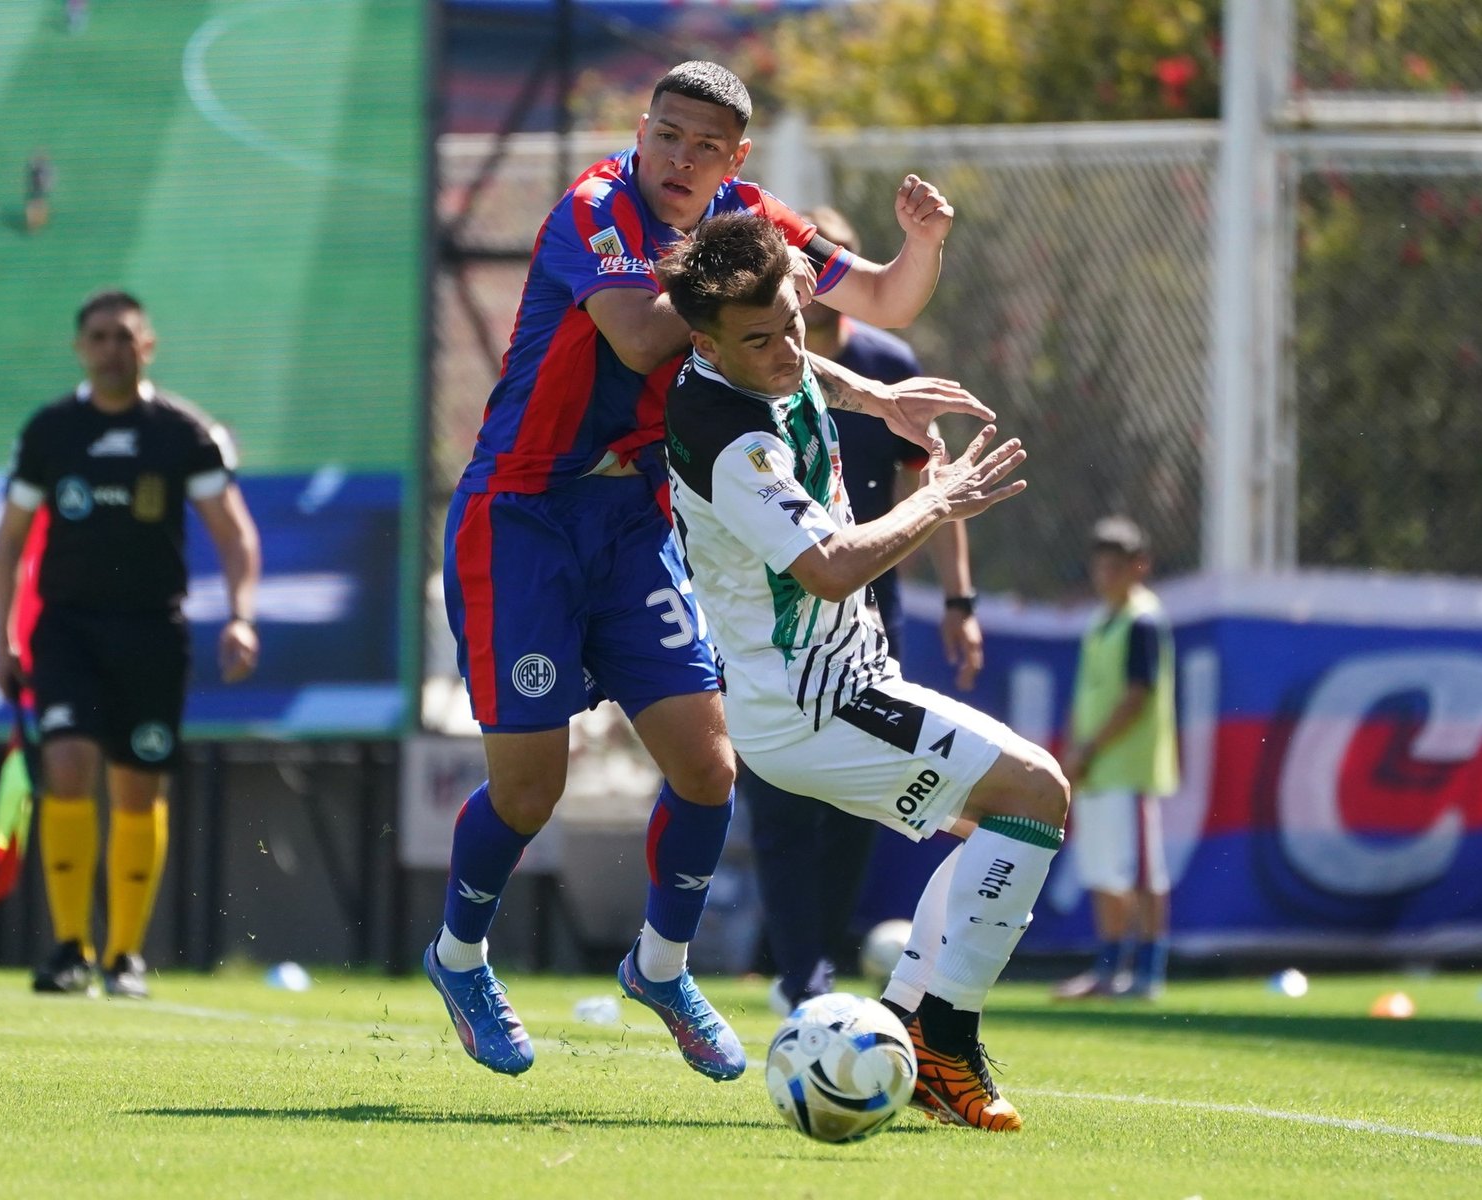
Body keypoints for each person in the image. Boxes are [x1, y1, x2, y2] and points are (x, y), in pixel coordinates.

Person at [427, 59, 983, 1084]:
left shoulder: (746, 220)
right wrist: (738, 273)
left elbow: (876, 298)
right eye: (667, 135)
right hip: (522, 516)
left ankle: (661, 966)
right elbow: (645, 339)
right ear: (643, 130)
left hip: (633, 517)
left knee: (707, 764)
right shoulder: (595, 207)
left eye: (705, 146)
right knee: (528, 786)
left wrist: (921, 245)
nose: (680, 159)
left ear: (737, 157)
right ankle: (461, 956)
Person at [658, 211, 1069, 1132]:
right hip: (816, 707)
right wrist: (941, 501)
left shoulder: (771, 337)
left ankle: (914, 1022)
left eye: (792, 323)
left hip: (839, 682)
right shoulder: (730, 441)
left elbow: (803, 362)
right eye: (756, 340)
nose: (783, 350)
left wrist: (875, 399)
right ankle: (941, 1041)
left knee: (1004, 820)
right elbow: (831, 566)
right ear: (703, 343)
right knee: (1035, 794)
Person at [742, 204, 985, 1014]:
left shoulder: (886, 366)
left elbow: (931, 489)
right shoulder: (748, 368)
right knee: (775, 792)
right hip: (770, 615)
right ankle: (798, 969)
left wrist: (959, 598)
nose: (810, 275)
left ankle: (821, 954)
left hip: (869, 615)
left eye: (823, 258)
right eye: (796, 259)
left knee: (859, 793)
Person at [0, 289, 262, 999]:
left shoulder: (181, 434)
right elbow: (10, 543)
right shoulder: (51, 431)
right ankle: (68, 947)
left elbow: (234, 534)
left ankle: (123, 956)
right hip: (68, 630)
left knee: (137, 787)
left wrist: (241, 614)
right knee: (69, 764)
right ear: (81, 347)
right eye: (100, 337)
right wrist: (2, 637)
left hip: (150, 631)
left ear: (148, 347)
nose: (112, 348)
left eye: (125, 337)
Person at [1052, 516, 1180, 1000]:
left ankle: (1147, 974)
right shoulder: (1100, 621)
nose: (1105, 576)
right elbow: (1089, 694)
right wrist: (1074, 751)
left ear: (1138, 567)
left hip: (1130, 769)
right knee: (1104, 872)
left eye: (1116, 566)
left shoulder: (1143, 619)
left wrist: (1088, 748)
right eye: (1099, 566)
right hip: (1097, 771)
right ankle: (1108, 972)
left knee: (1144, 875)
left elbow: (1137, 695)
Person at [25, 151, 53, 235]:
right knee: (35, 205)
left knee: (37, 205)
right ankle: (34, 223)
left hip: (40, 190)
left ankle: (36, 223)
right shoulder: (36, 168)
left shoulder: (45, 169)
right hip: (36, 189)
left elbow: (48, 180)